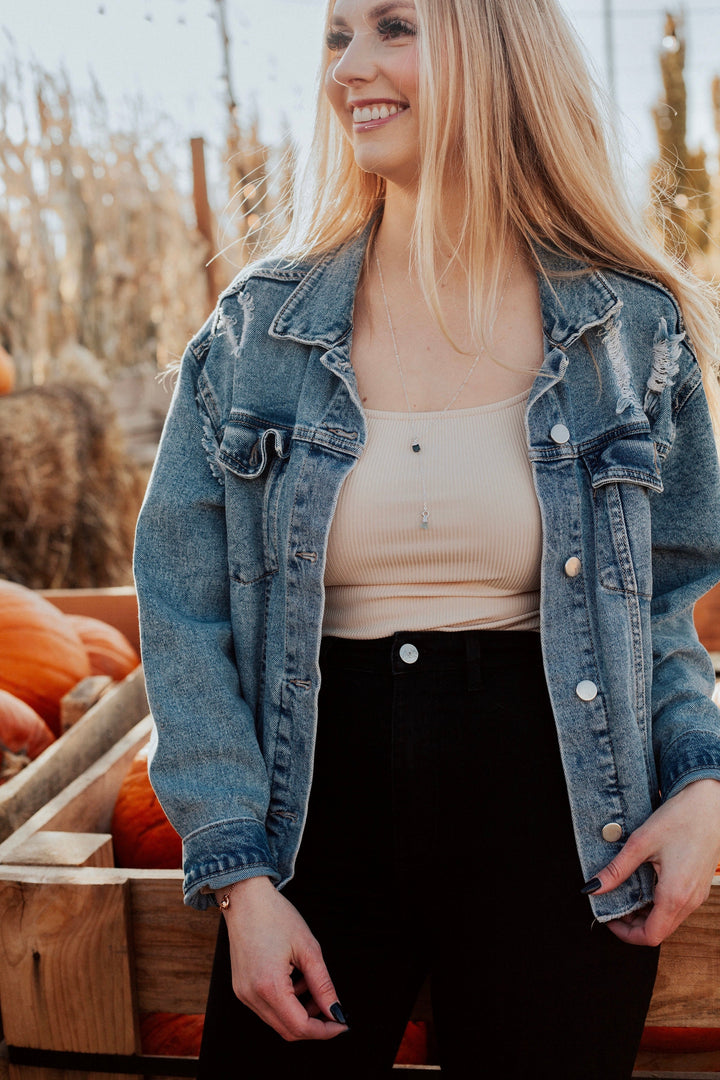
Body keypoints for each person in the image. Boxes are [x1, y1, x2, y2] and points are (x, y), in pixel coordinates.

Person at [133, 1, 720, 1076]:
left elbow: (667, 603)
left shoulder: (627, 331)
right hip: (313, 805)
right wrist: (244, 882)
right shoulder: (256, 333)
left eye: (395, 26)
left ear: (499, 49)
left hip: (562, 815)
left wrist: (702, 787)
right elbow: (184, 613)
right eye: (337, 35)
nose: (351, 66)